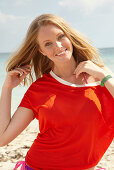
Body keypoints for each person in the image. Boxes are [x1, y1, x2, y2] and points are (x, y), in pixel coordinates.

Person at [0, 13, 114, 170]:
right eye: (48, 44)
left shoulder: (100, 76)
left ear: (69, 36)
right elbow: (3, 138)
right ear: (41, 51)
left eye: (61, 37)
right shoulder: (39, 89)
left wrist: (103, 75)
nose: (58, 46)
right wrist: (7, 88)